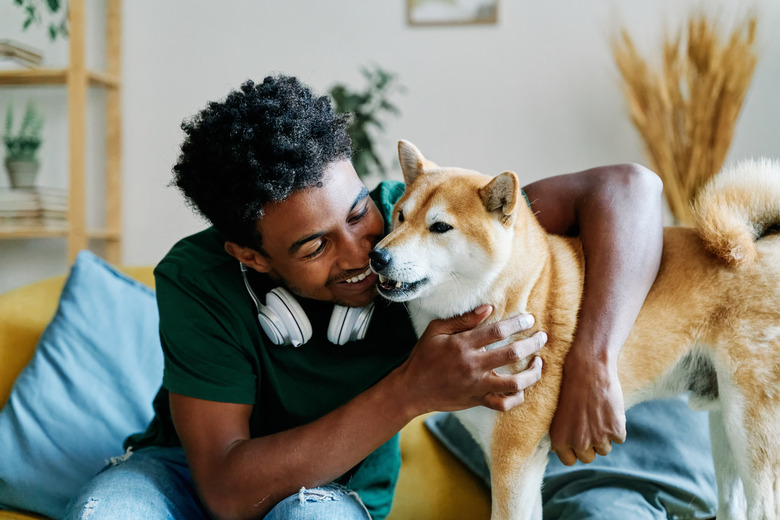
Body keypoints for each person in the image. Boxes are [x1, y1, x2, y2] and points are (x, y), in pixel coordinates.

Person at [64, 74, 665, 520]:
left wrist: (595, 358)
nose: (363, 255)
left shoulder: (417, 220)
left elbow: (629, 188)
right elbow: (224, 488)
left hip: (331, 495)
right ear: (251, 257)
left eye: (357, 213)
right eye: (313, 247)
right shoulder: (196, 278)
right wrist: (411, 390)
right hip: (181, 479)